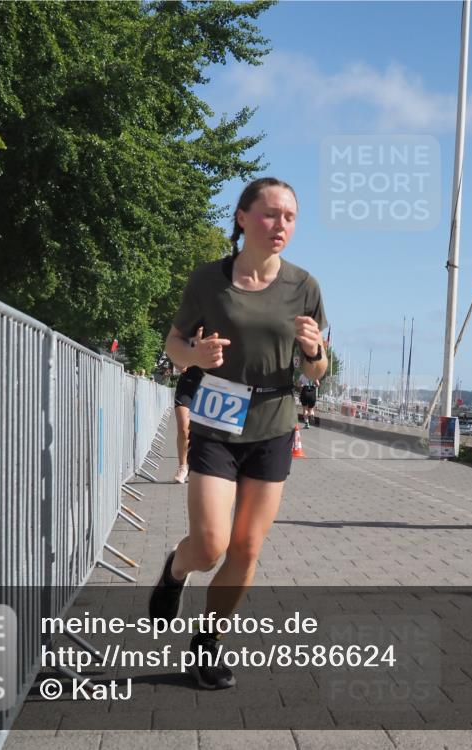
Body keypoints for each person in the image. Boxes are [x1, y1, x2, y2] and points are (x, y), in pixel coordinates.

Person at [150, 177, 328, 690]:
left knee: (246, 547)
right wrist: (195, 356)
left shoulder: (305, 286)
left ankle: (208, 643)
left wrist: (314, 351)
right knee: (209, 545)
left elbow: (317, 372)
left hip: (273, 424)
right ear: (243, 218)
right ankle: (176, 571)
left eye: (290, 217)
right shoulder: (209, 280)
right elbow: (174, 345)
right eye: (271, 214)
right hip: (217, 419)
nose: (281, 226)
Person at [172, 367, 199, 483]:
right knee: (184, 428)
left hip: (210, 386)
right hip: (187, 385)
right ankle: (183, 467)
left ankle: (199, 467)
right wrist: (179, 362)